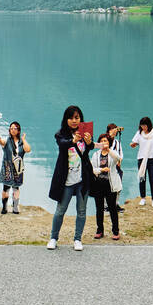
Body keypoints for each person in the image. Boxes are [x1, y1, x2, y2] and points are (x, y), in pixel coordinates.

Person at [48, 105, 95, 251]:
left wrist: (88, 143)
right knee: (60, 210)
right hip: (66, 180)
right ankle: (53, 238)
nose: (74, 121)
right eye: (71, 118)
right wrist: (73, 140)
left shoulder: (85, 132)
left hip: (83, 179)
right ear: (66, 119)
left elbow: (90, 147)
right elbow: (63, 145)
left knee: (81, 211)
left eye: (77, 117)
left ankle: (77, 239)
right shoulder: (60, 134)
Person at [91, 132, 122, 240]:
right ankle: (99, 231)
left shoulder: (112, 153)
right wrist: (101, 170)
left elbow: (118, 158)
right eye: (102, 141)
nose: (103, 143)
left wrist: (108, 150)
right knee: (99, 209)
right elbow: (92, 169)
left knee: (112, 208)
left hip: (111, 184)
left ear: (109, 143)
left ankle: (116, 231)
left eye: (106, 141)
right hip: (98, 184)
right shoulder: (95, 155)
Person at [130, 116, 153, 208]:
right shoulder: (139, 133)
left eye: (144, 125)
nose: (143, 127)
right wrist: (133, 144)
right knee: (142, 178)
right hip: (141, 158)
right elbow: (134, 142)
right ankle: (143, 198)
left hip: (151, 158)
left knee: (152, 179)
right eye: (142, 126)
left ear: (148, 125)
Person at [0, 120, 30, 214]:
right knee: (5, 188)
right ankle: (4, 207)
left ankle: (15, 207)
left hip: (17, 169)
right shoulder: (7, 140)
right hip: (7, 168)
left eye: (15, 128)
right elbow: (2, 142)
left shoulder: (21, 143)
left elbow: (28, 149)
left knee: (16, 188)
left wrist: (23, 140)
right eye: (11, 128)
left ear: (18, 130)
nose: (13, 130)